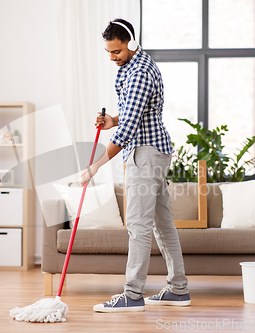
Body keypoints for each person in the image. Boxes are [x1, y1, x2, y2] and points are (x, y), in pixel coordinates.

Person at [80, 19, 190, 313]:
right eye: (108, 52)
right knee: (162, 224)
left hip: (145, 154)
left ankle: (133, 294)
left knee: (138, 226)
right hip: (151, 151)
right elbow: (134, 115)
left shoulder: (139, 72)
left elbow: (128, 130)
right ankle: (178, 289)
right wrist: (111, 121)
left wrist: (96, 166)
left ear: (129, 43)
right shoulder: (135, 65)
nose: (112, 57)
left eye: (116, 51)